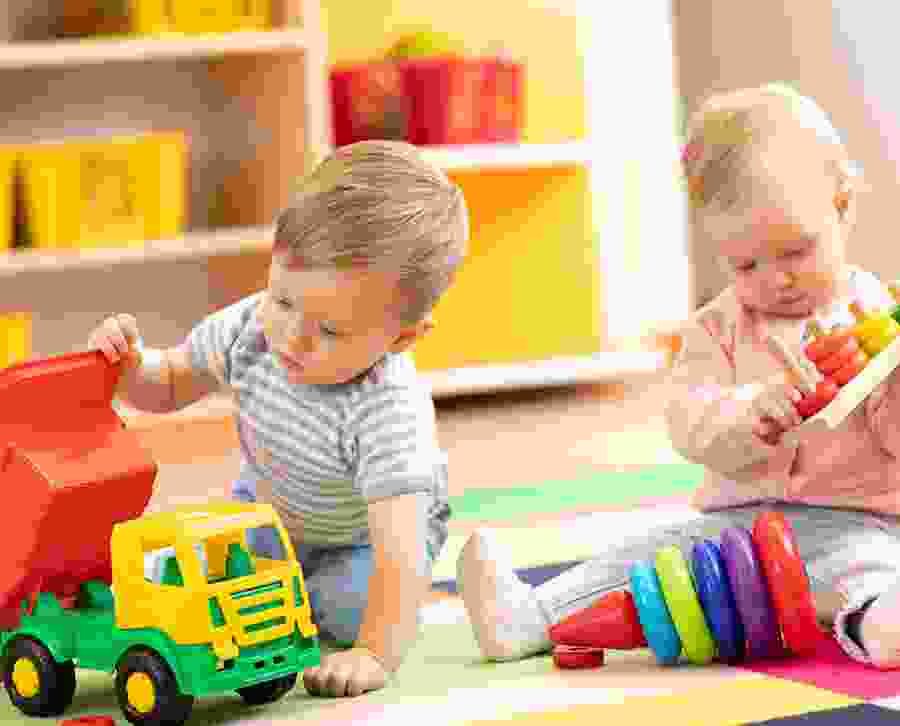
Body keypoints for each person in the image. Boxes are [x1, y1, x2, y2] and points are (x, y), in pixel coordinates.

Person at [456, 83, 900, 670]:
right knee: (647, 556)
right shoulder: (714, 331)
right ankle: (530, 616)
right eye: (746, 264)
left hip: (861, 520)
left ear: (841, 206)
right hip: (737, 530)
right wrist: (749, 414)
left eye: (796, 251)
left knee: (869, 566)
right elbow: (690, 425)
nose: (776, 278)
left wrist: (892, 388)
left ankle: (879, 624)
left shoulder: (877, 320)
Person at [88, 140, 469, 697]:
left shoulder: (389, 410)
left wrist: (373, 653)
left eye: (330, 330)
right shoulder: (250, 330)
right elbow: (168, 383)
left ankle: (327, 603)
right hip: (267, 514)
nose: (291, 336)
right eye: (283, 300)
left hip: (363, 540)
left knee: (349, 608)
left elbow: (399, 552)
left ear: (402, 337)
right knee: (176, 581)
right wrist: (129, 366)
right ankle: (290, 591)